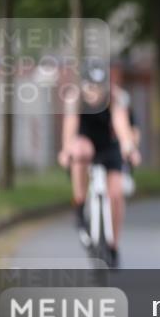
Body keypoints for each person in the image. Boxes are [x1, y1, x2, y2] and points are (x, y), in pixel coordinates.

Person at [58, 61, 141, 268]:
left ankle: (113, 245)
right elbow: (70, 125)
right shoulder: (75, 98)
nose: (94, 92)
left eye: (98, 87)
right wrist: (66, 150)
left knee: (116, 194)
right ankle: (79, 204)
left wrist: (129, 148)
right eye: (90, 87)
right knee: (80, 151)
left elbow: (122, 126)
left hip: (108, 146)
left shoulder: (115, 98)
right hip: (86, 143)